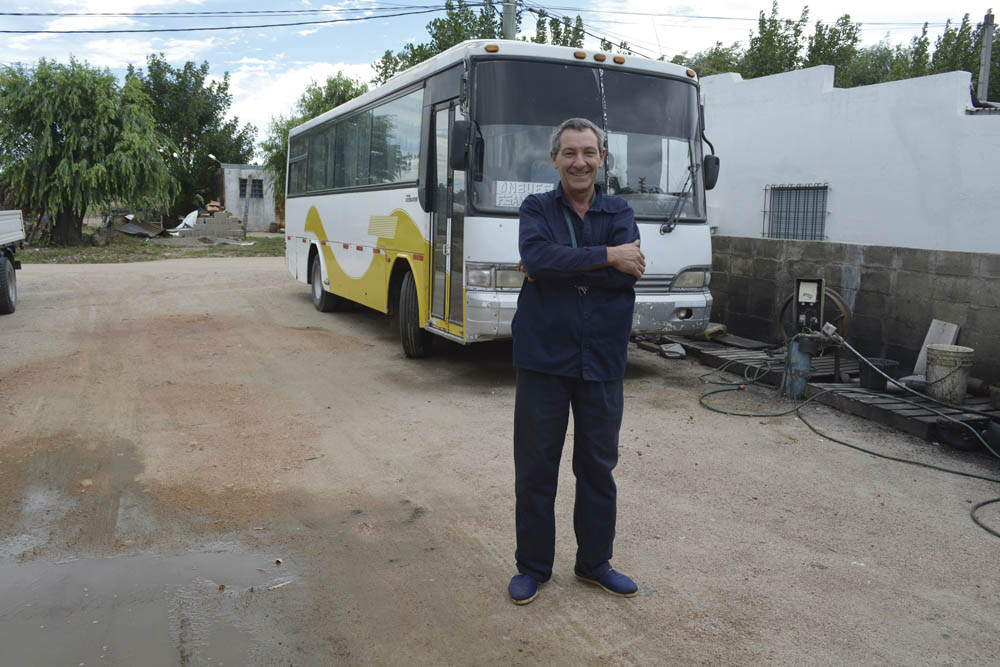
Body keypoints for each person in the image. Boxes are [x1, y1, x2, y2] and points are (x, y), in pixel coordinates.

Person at [508, 117, 645, 605]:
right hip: (545, 356)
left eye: (589, 152)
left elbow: (626, 276)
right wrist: (607, 256)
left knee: (597, 468)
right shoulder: (536, 207)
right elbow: (537, 258)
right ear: (554, 159)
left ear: (602, 158)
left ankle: (594, 564)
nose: (580, 162)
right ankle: (533, 568)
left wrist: (559, 264)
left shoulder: (619, 210)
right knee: (536, 467)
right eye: (570, 153)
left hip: (601, 359)